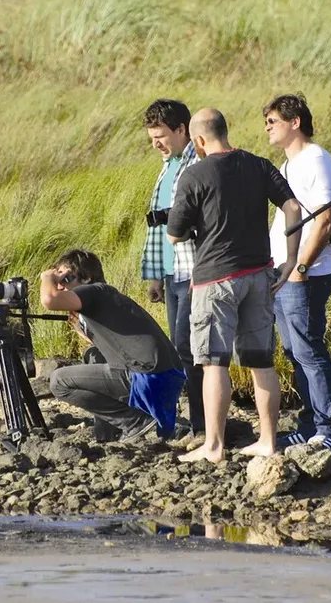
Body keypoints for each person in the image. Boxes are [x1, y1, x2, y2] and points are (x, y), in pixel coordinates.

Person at [167, 108, 304, 464]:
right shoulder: (258, 165)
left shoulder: (194, 174)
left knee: (214, 363)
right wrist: (290, 260)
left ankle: (214, 445)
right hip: (259, 274)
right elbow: (292, 207)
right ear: (225, 130)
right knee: (261, 361)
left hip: (215, 279)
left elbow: (174, 234)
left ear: (198, 139)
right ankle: (268, 440)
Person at [264, 94, 331, 452]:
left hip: (306, 275)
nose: (267, 126)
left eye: (273, 120)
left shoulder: (317, 160)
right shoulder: (286, 166)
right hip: (282, 273)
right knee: (294, 350)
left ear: (295, 121)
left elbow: (326, 220)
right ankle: (309, 422)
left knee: (309, 349)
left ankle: (327, 428)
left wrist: (300, 267)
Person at [39, 249, 186, 443]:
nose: (60, 285)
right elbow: (119, 343)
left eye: (65, 278)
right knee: (93, 355)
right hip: (167, 376)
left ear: (87, 278)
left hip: (148, 376)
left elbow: (49, 300)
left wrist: (47, 277)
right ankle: (107, 435)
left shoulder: (93, 291)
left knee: (59, 381)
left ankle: (136, 423)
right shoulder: (106, 297)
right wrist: (87, 333)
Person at [141, 98, 205, 439]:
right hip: (172, 271)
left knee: (189, 348)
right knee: (179, 349)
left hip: (195, 268)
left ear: (182, 129)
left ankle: (202, 424)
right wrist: (155, 274)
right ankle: (194, 422)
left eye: (161, 136)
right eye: (152, 137)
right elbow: (157, 223)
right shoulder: (168, 166)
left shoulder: (197, 163)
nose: (156, 144)